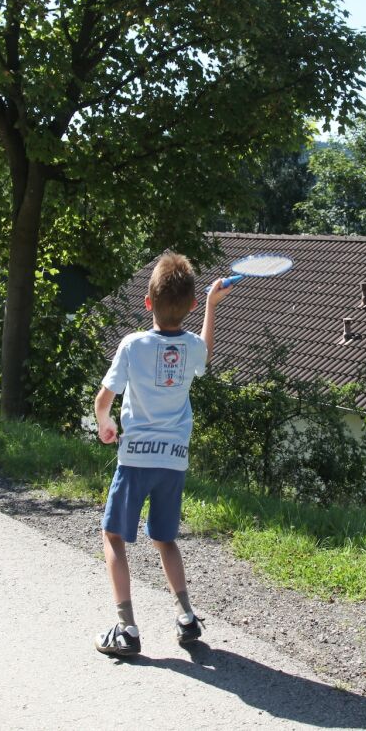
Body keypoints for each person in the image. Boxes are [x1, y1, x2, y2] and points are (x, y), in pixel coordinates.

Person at [93, 252, 230, 657]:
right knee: (165, 539)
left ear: (148, 302)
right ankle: (187, 616)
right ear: (189, 305)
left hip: (135, 460)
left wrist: (106, 423)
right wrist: (211, 306)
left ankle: (127, 628)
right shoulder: (190, 348)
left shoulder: (132, 345)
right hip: (173, 462)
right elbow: (205, 350)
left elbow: (106, 397)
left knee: (114, 536)